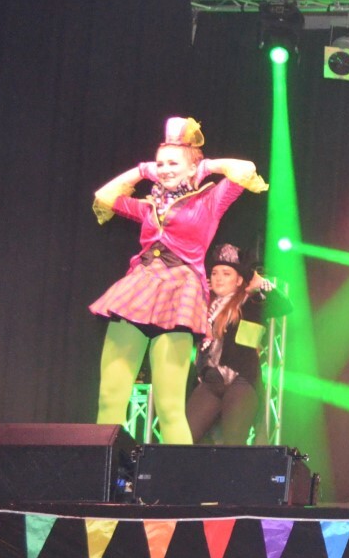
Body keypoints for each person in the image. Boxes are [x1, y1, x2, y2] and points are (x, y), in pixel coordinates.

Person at [90, 117, 266, 444]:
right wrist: (142, 170)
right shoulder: (148, 207)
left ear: (192, 168)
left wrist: (205, 166)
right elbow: (104, 196)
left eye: (173, 163)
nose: (165, 169)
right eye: (160, 163)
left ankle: (172, 476)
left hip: (180, 296)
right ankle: (102, 471)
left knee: (170, 407)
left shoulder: (210, 201)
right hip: (137, 291)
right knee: (110, 397)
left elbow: (245, 169)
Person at [186, 244, 288, 444]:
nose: (219, 278)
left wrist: (260, 284)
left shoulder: (249, 303)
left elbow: (284, 306)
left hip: (240, 382)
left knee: (233, 445)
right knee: (183, 438)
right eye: (215, 273)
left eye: (226, 274)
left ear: (239, 280)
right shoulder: (205, 306)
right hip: (209, 382)